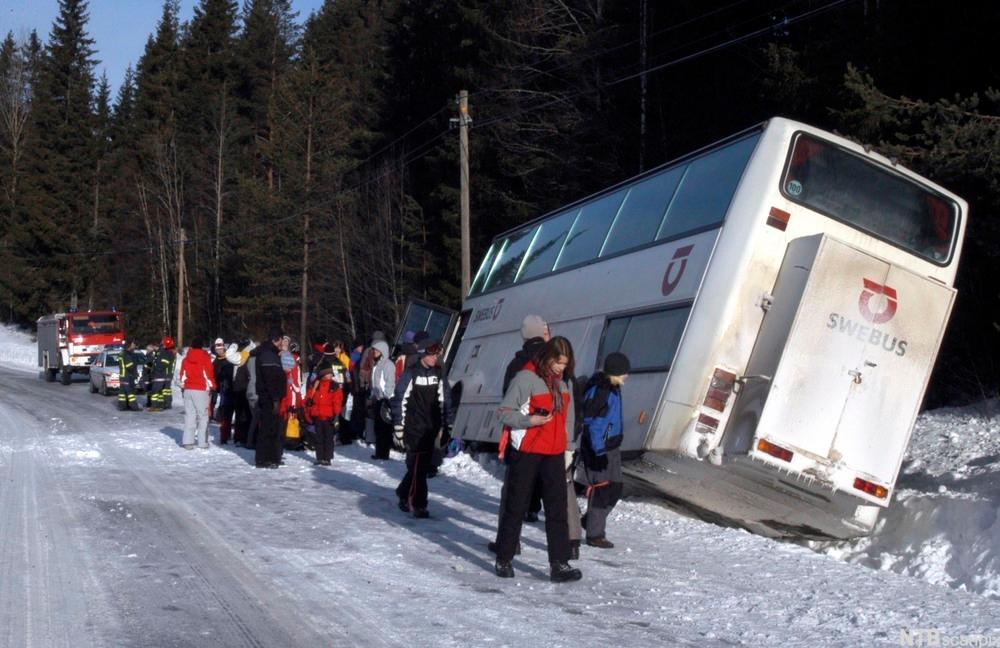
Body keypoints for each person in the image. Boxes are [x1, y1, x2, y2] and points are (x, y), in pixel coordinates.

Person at [493, 336, 581, 583]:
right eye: (558, 362)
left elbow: (568, 419)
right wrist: (528, 421)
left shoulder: (563, 385)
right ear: (547, 356)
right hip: (528, 452)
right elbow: (504, 412)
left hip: (553, 454)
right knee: (516, 505)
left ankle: (559, 563)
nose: (561, 368)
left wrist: (568, 448)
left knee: (557, 510)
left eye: (565, 364)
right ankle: (504, 557)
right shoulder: (525, 379)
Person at [391, 339, 453, 518]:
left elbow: (445, 400)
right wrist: (399, 427)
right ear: (423, 354)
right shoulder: (411, 373)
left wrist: (447, 423)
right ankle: (417, 502)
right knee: (419, 466)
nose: (435, 358)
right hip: (414, 426)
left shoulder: (439, 374)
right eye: (431, 354)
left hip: (431, 427)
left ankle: (404, 492)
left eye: (437, 355)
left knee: (420, 466)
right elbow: (399, 399)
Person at [578, 352, 630, 548]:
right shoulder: (602, 391)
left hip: (612, 446)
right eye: (625, 372)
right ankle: (595, 534)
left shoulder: (613, 388)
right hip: (600, 449)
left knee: (615, 488)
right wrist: (598, 452)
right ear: (616, 372)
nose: (627, 376)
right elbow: (594, 424)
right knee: (602, 489)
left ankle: (590, 520)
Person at [254, 327, 288, 468]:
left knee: (271, 428)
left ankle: (270, 457)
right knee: (269, 428)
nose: (282, 343)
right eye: (281, 340)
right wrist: (275, 399)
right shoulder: (269, 355)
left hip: (269, 396)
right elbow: (271, 379)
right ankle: (265, 459)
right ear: (277, 339)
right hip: (269, 398)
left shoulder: (270, 353)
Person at [179, 337, 217, 449]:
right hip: (201, 390)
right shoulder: (205, 358)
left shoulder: (185, 359)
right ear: (202, 346)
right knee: (203, 416)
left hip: (188, 389)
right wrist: (213, 386)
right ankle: (202, 442)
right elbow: (208, 374)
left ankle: (187, 441)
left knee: (190, 415)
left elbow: (182, 376)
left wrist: (183, 386)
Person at [305, 366, 345, 466]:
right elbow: (309, 397)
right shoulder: (315, 384)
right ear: (322, 375)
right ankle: (319, 457)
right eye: (328, 374)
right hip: (317, 415)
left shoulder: (334, 386)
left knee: (328, 438)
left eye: (331, 374)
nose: (330, 375)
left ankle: (327, 458)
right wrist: (308, 403)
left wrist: (336, 415)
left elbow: (337, 401)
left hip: (329, 417)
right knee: (318, 438)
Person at [369, 340, 395, 460]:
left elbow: (390, 382)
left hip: (386, 400)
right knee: (378, 427)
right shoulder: (377, 364)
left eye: (376, 350)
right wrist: (372, 395)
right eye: (374, 349)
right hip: (378, 399)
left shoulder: (388, 365)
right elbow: (375, 383)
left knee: (385, 428)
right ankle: (379, 452)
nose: (374, 352)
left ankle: (384, 453)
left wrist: (387, 396)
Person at [212, 338, 235, 444]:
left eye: (220, 348)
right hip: (223, 389)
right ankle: (225, 436)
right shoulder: (215, 361)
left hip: (233, 387)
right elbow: (214, 376)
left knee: (236, 412)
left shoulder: (230, 358)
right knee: (225, 413)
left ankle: (236, 435)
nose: (219, 350)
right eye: (217, 349)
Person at [146, 336, 177, 410]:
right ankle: (164, 404)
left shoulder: (166, 352)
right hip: (166, 374)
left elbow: (162, 363)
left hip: (163, 374)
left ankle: (158, 405)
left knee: (160, 390)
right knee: (165, 390)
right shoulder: (170, 352)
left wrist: (155, 369)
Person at [116, 340, 142, 411]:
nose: (134, 346)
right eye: (133, 345)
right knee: (130, 393)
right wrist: (134, 371)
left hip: (122, 376)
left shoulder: (121, 354)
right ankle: (134, 407)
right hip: (127, 377)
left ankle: (122, 406)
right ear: (129, 346)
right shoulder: (127, 355)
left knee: (122, 393)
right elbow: (129, 366)